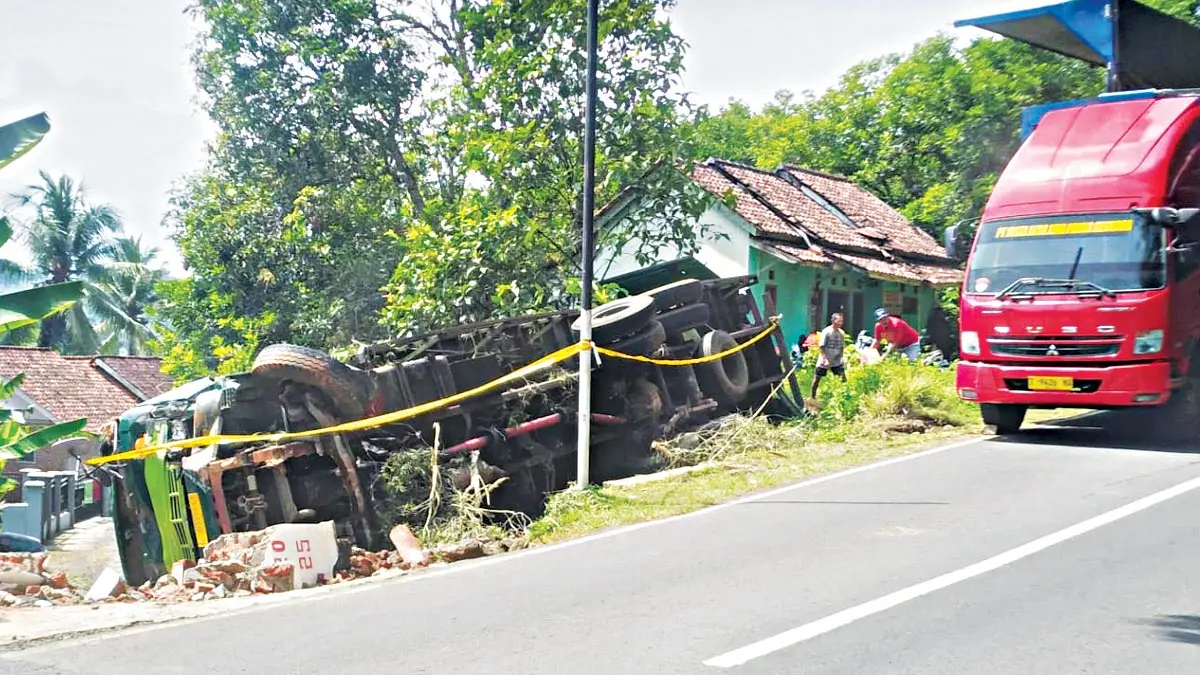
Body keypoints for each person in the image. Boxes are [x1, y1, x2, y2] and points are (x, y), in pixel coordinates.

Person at [811, 312, 848, 399]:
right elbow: (821, 346)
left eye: (841, 321)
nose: (840, 323)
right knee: (817, 379)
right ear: (833, 321)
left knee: (843, 379)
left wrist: (842, 357)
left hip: (836, 360)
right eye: (839, 321)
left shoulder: (841, 333)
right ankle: (812, 397)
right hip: (825, 360)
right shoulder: (827, 331)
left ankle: (842, 397)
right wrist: (825, 359)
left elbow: (841, 347)